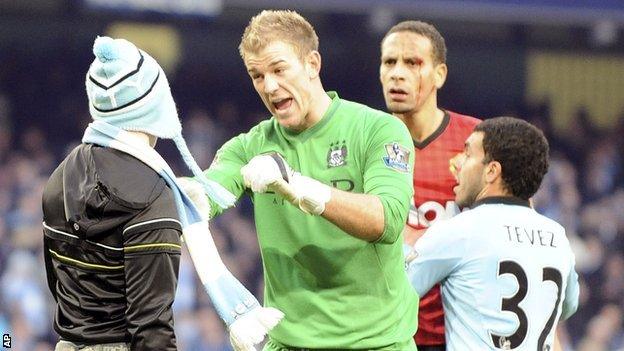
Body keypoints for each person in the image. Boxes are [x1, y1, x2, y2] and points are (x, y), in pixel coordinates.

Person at [184, 9, 419, 350]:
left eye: (279, 69)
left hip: (376, 342)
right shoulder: (249, 147)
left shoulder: (378, 129)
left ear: (312, 64)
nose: (270, 86)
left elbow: (387, 220)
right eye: (257, 75)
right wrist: (192, 196)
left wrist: (299, 187)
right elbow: (211, 193)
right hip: (289, 343)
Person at [42, 36, 281, 351]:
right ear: (155, 106)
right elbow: (151, 329)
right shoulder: (153, 194)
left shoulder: (59, 175)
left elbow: (56, 284)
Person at [406, 117, 580, 350]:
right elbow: (568, 306)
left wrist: (398, 231)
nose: (458, 164)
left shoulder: (460, 231)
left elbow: (398, 286)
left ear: (491, 171)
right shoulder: (557, 236)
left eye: (467, 155)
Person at [379, 20, 481, 350]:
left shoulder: (477, 141)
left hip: (460, 332)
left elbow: (517, 219)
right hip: (384, 331)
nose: (397, 73)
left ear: (439, 74)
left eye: (412, 63)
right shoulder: (363, 138)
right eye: (389, 62)